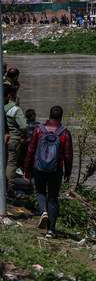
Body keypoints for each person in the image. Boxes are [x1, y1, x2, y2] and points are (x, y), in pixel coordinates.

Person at [24, 106, 73, 239]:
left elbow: (31, 150)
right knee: (53, 198)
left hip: (39, 167)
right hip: (56, 169)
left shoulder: (39, 129)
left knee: (40, 191)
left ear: (49, 114)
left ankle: (43, 212)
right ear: (61, 117)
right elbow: (68, 156)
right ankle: (50, 231)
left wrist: (27, 169)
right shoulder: (65, 132)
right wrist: (68, 172)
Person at [4, 84, 28, 194]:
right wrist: (25, 136)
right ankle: (10, 187)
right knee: (11, 163)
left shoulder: (2, 107)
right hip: (14, 139)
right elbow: (24, 126)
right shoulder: (15, 110)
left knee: (4, 162)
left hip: (4, 139)